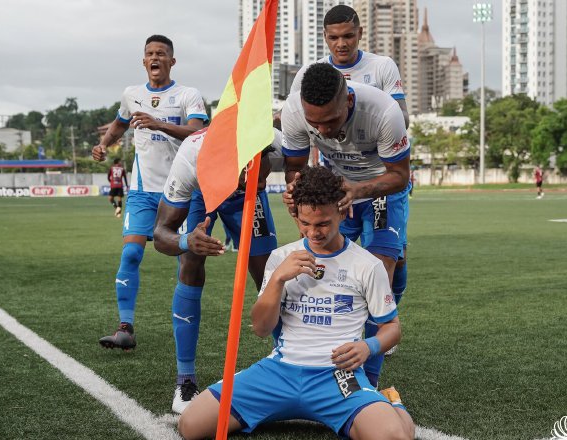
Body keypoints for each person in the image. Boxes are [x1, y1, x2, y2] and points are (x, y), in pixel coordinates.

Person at [177, 165, 415, 440]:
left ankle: (392, 401)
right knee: (191, 426)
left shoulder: (367, 264)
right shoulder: (281, 258)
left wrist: (368, 346)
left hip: (338, 377)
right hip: (279, 373)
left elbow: (392, 327)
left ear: (342, 211)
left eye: (323, 223)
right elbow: (261, 328)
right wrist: (278, 279)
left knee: (394, 437)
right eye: (305, 223)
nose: (313, 232)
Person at [282, 62, 409, 387]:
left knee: (381, 271)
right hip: (335, 193)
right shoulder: (294, 111)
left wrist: (359, 189)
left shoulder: (383, 111)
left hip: (379, 187)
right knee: (327, 269)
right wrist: (298, 200)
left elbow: (399, 176)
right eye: (316, 123)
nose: (322, 131)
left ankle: (369, 382)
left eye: (331, 121)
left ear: (348, 102)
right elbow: (294, 168)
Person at [92, 35, 209, 349]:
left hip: (181, 191)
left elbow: (199, 131)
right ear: (144, 61)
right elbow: (118, 124)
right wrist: (104, 145)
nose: (155, 58)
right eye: (149, 53)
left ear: (172, 61)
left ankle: (182, 328)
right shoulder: (132, 95)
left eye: (161, 53)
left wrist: (160, 124)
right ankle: (125, 328)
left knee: (185, 262)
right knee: (131, 252)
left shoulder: (188, 94)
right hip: (143, 191)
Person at [153, 128, 280, 413]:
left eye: (264, 177)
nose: (261, 182)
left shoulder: (271, 138)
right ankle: (185, 380)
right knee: (190, 262)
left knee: (269, 273)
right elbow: (160, 235)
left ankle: (290, 361)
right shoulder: (191, 159)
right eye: (253, 177)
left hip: (245, 201)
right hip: (203, 193)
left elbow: (298, 165)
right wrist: (187, 240)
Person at [289, 4, 409, 128]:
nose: (341, 44)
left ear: (360, 33)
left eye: (348, 36)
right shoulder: (308, 73)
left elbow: (403, 120)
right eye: (334, 38)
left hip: (376, 146)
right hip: (327, 147)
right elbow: (290, 116)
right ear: (325, 36)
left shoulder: (383, 66)